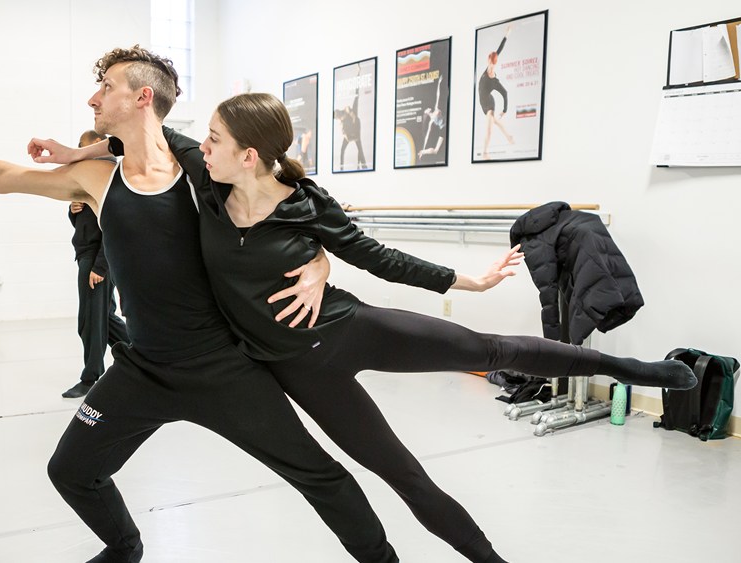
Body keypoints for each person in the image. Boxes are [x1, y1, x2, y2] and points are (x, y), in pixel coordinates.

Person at [71, 92, 697, 563]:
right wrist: (75, 152)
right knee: (404, 475)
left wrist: (466, 281)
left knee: (489, 347)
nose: (201, 147)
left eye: (214, 140)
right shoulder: (207, 183)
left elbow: (378, 257)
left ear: (249, 154)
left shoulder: (305, 202)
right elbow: (150, 135)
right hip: (300, 371)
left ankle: (632, 370)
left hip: (351, 327)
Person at [0, 46, 398, 563]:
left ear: (143, 97)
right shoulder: (99, 178)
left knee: (318, 474)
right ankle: (125, 549)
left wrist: (322, 259)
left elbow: (288, 205)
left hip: (221, 367)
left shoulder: (203, 175)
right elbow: (4, 178)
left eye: (107, 88)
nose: (93, 99)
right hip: (143, 370)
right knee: (70, 471)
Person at [64, 130, 129, 399]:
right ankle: (144, 354)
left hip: (98, 259)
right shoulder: (88, 180)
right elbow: (86, 225)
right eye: (80, 147)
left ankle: (91, 377)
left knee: (90, 321)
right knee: (103, 318)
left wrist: (100, 267)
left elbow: (114, 228)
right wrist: (72, 209)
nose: (82, 153)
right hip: (86, 254)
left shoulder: (109, 178)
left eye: (87, 148)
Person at [478, 25, 514, 159]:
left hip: (488, 103)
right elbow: (500, 49)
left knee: (489, 127)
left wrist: (505, 110)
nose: (491, 66)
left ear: (494, 64)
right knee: (495, 122)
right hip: (482, 102)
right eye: (490, 62)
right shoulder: (489, 64)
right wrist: (507, 34)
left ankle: (485, 153)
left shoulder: (493, 79)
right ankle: (509, 136)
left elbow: (505, 93)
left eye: (493, 64)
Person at [417, 75, 446, 159]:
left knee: (436, 150)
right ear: (426, 113)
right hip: (443, 129)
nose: (428, 108)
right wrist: (423, 148)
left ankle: (422, 152)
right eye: (426, 110)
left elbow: (438, 95)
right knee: (436, 151)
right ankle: (422, 152)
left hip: (444, 126)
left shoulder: (436, 109)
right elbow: (426, 137)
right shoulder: (431, 121)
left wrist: (439, 84)